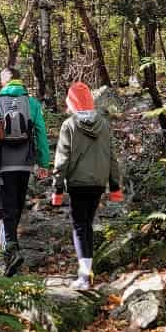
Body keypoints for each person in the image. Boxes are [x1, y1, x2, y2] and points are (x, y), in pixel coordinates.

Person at [51, 81, 122, 290]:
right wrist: (115, 185)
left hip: (77, 183)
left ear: (71, 103)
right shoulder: (104, 124)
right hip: (98, 183)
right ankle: (87, 269)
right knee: (86, 225)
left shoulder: (69, 125)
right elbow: (112, 157)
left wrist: (57, 188)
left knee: (79, 226)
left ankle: (84, 276)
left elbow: (62, 160)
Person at [0, 66, 50, 276]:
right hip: (25, 165)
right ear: (20, 81)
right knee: (18, 206)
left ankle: (10, 251)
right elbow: (41, 134)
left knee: (5, 210)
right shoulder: (31, 104)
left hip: (5, 166)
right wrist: (43, 163)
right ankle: (14, 248)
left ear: (3, 82)